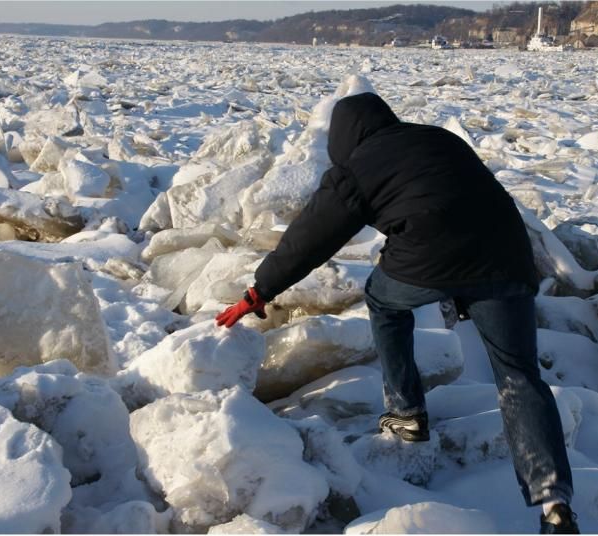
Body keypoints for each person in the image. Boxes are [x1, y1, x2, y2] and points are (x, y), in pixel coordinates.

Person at [216, 92, 579, 534]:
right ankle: (554, 504)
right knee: (519, 377)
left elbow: (310, 237)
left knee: (384, 301)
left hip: (431, 254)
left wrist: (260, 291)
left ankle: (406, 411)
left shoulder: (357, 167)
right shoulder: (438, 139)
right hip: (507, 255)